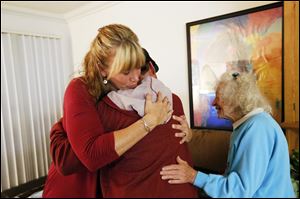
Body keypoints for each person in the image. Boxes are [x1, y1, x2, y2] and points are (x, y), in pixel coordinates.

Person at [43, 24, 196, 197]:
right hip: (79, 185)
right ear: (102, 69)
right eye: (126, 72)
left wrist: (188, 133)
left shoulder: (141, 83)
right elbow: (85, 156)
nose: (136, 77)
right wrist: (150, 121)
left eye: (139, 66)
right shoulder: (80, 89)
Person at [160, 71, 295, 198]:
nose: (213, 102)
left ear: (236, 100)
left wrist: (194, 176)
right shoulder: (249, 125)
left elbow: (240, 190)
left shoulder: (257, 129)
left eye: (219, 97)